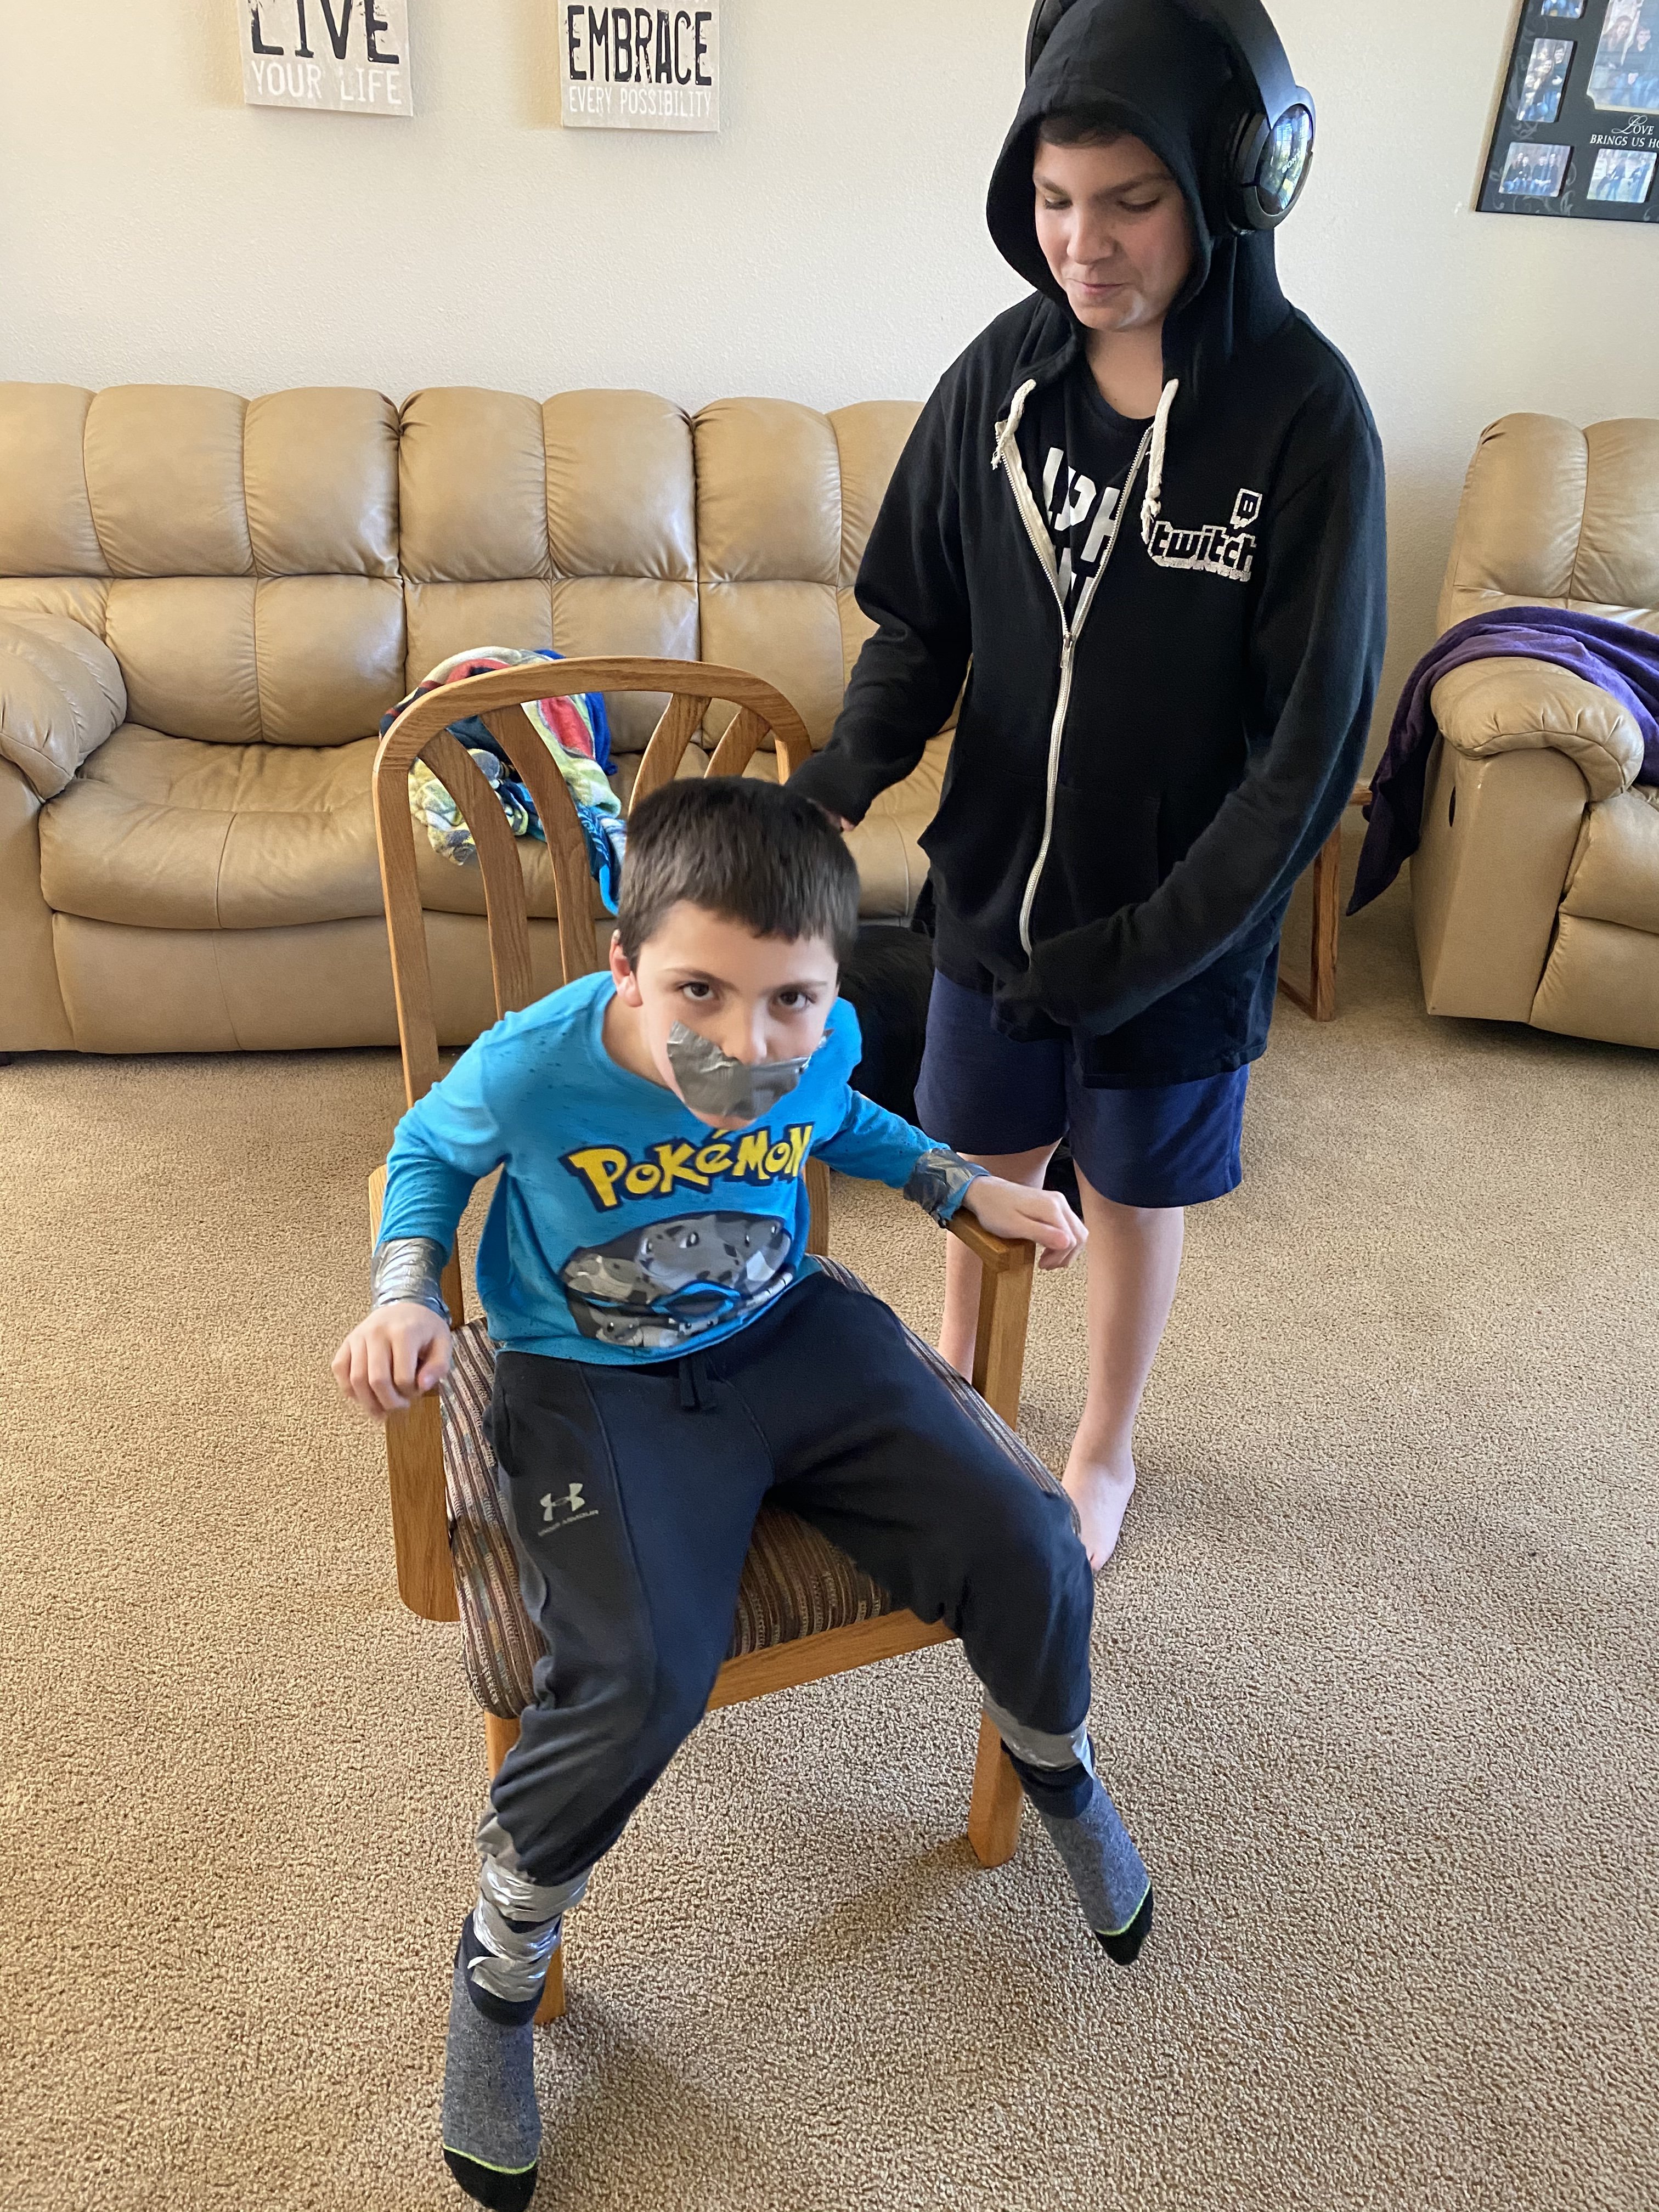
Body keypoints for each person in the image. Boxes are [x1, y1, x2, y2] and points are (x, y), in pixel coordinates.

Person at [334, 778, 1157, 2212]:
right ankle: (501, 1963)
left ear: (831, 984)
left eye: (792, 1001)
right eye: (700, 995)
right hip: (590, 1378)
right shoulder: (536, 1065)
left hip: (786, 1329)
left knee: (1033, 1537)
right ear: (626, 969)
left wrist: (954, 1183)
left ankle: (1059, 1767)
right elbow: (426, 1156)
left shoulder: (819, 1038)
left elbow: (843, 1122)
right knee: (638, 1671)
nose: (750, 1044)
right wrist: (407, 1292)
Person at [789, 0, 1387, 1567]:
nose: (1084, 243)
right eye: (1057, 200)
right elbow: (920, 622)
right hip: (996, 895)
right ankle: (956, 1392)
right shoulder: (1002, 377)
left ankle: (1103, 1445)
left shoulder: (1306, 418)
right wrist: (840, 780)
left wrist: (1145, 951)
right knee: (978, 1165)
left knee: (1130, 1191)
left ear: (1233, 187)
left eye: (1130, 201)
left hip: (1183, 931)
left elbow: (1307, 755)